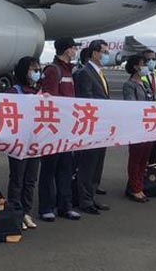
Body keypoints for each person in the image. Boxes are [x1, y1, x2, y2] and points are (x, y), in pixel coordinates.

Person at [37, 38, 81, 223]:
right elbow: (51, 101)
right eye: (73, 48)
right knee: (49, 169)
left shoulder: (68, 70)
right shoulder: (53, 70)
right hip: (54, 129)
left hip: (66, 128)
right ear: (67, 50)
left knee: (65, 168)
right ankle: (46, 207)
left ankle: (65, 205)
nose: (75, 51)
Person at [72, 40, 111, 215]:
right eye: (104, 52)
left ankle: (92, 196)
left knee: (97, 165)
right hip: (91, 126)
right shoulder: (84, 73)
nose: (106, 55)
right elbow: (86, 100)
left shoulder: (99, 73)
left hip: (102, 126)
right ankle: (85, 200)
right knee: (88, 165)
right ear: (95, 53)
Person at [5, 56, 41, 229]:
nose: (37, 73)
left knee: (30, 179)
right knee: (17, 179)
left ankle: (26, 212)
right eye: (33, 69)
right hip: (18, 142)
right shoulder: (14, 92)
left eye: (38, 69)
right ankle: (15, 212)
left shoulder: (39, 92)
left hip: (35, 142)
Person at [122, 55, 153, 202]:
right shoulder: (129, 85)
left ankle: (139, 185)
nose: (146, 67)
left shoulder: (145, 84)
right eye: (143, 64)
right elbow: (131, 105)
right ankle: (135, 188)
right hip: (137, 126)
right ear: (136, 66)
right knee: (136, 158)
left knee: (144, 159)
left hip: (149, 125)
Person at [141, 49, 156, 165]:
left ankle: (153, 170)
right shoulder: (140, 75)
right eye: (148, 59)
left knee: (155, 148)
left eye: (153, 59)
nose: (152, 61)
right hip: (145, 117)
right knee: (143, 151)